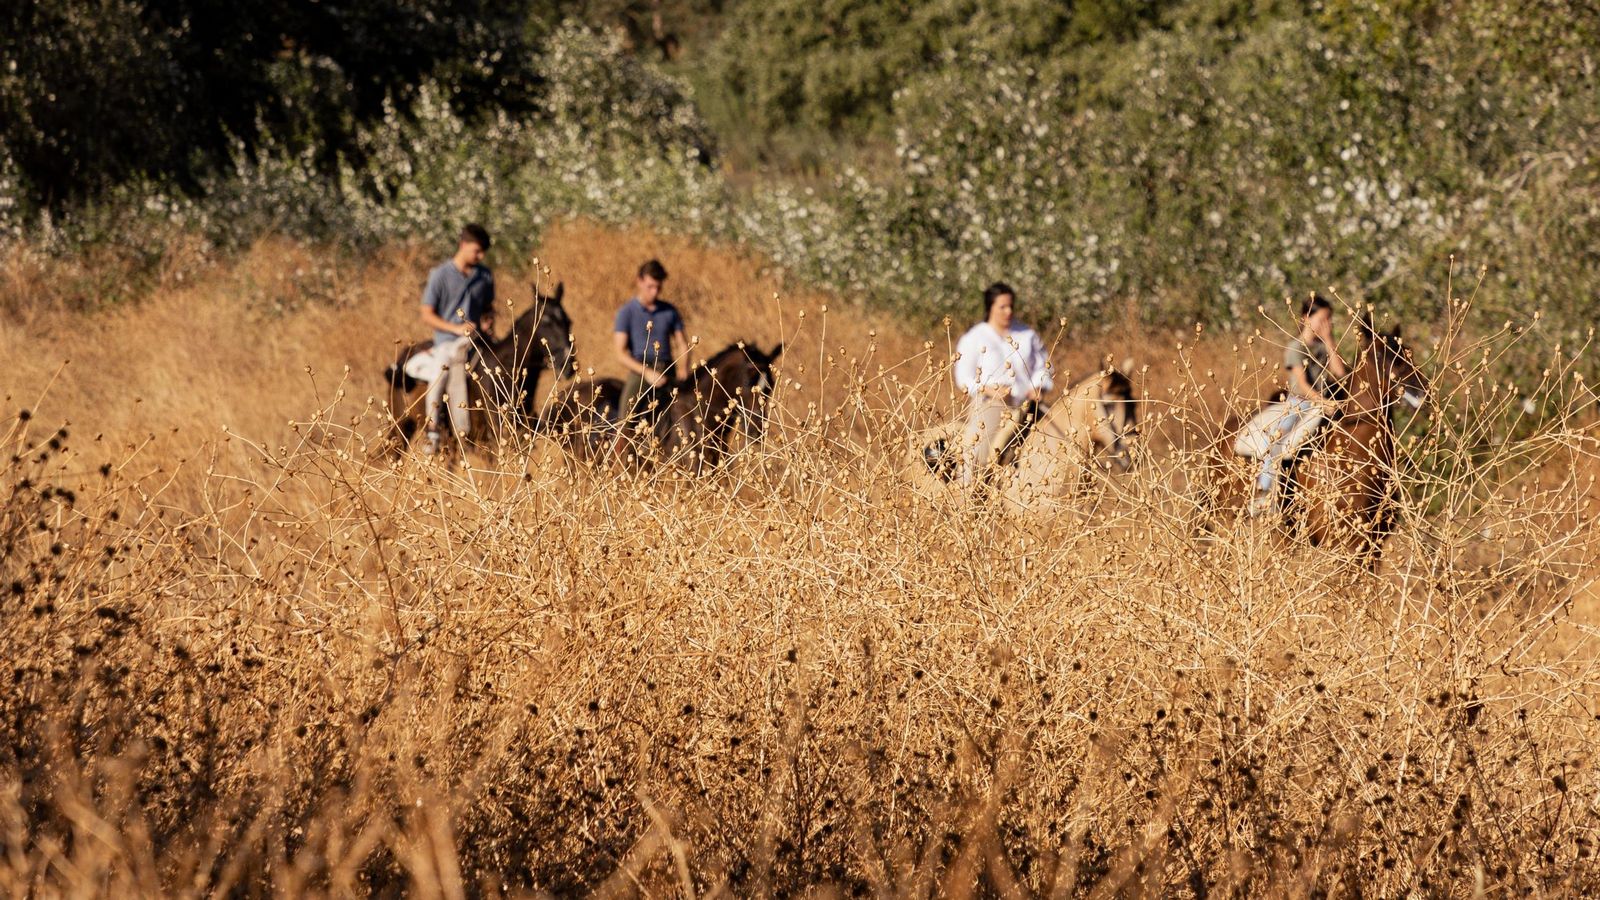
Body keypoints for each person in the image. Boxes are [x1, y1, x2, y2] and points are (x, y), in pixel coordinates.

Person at [1245, 293, 1348, 515]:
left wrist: (1330, 341)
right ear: (1305, 318)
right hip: (1300, 403)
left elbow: (1340, 373)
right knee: (1278, 437)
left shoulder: (1323, 347)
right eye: (1322, 319)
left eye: (1329, 320)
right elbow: (1301, 385)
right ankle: (1264, 490)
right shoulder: (1296, 348)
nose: (1325, 325)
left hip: (1326, 402)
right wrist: (1322, 402)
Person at [953, 282, 1053, 486]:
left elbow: (1043, 366)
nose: (1009, 311)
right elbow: (962, 376)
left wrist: (1037, 385)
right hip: (992, 404)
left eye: (1011, 306)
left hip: (1028, 404)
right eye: (1003, 307)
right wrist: (987, 388)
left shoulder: (1027, 334)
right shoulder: (975, 337)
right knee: (977, 454)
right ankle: (968, 493)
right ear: (990, 307)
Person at [415, 224, 496, 455]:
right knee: (440, 376)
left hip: (478, 341)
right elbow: (427, 313)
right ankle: (432, 429)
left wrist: (487, 323)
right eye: (476, 251)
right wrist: (456, 329)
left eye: (482, 253)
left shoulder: (485, 276)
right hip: (448, 341)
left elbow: (488, 308)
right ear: (463, 245)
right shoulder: (440, 275)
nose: (480, 257)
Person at [612, 259, 688, 429]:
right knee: (625, 420)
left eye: (658, 287)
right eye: (650, 286)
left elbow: (683, 343)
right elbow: (620, 353)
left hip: (669, 369)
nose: (654, 292)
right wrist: (647, 373)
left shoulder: (670, 311)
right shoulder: (626, 312)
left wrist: (684, 368)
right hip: (640, 372)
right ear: (639, 281)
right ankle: (621, 451)